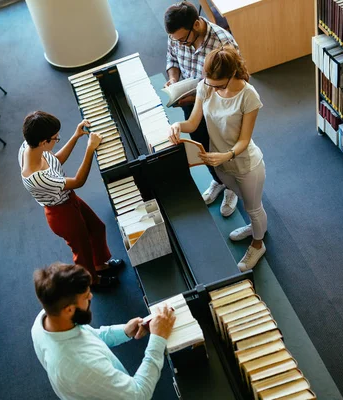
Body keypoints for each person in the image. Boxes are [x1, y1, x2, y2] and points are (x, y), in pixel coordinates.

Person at [168, 46, 267, 271]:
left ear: (231, 75)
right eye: (208, 81)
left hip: (244, 164)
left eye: (217, 83)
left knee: (254, 208)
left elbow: (244, 140)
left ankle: (258, 243)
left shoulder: (248, 95)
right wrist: (176, 125)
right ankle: (255, 226)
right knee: (245, 201)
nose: (210, 87)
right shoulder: (206, 86)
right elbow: (193, 123)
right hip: (219, 162)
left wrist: (227, 154)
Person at [31, 263, 176, 400]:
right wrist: (158, 338)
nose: (91, 296)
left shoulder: (45, 319)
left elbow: (89, 336)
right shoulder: (83, 367)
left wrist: (125, 331)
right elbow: (138, 394)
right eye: (86, 296)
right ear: (69, 309)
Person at [19, 111, 124, 289]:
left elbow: (56, 160)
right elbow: (78, 181)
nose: (57, 139)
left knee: (97, 227)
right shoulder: (37, 176)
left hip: (68, 199)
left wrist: (76, 136)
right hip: (61, 213)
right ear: (44, 142)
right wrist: (90, 149)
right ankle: (92, 281)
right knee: (81, 250)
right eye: (55, 138)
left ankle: (99, 265)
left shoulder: (30, 147)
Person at [164, 1, 240, 217]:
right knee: (201, 144)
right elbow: (171, 58)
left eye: (182, 39)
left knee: (223, 147)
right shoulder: (178, 35)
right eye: (175, 40)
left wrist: (194, 97)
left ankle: (232, 188)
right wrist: (173, 79)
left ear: (196, 25)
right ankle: (218, 181)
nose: (180, 43)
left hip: (219, 107)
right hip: (191, 100)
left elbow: (232, 85)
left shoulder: (223, 45)